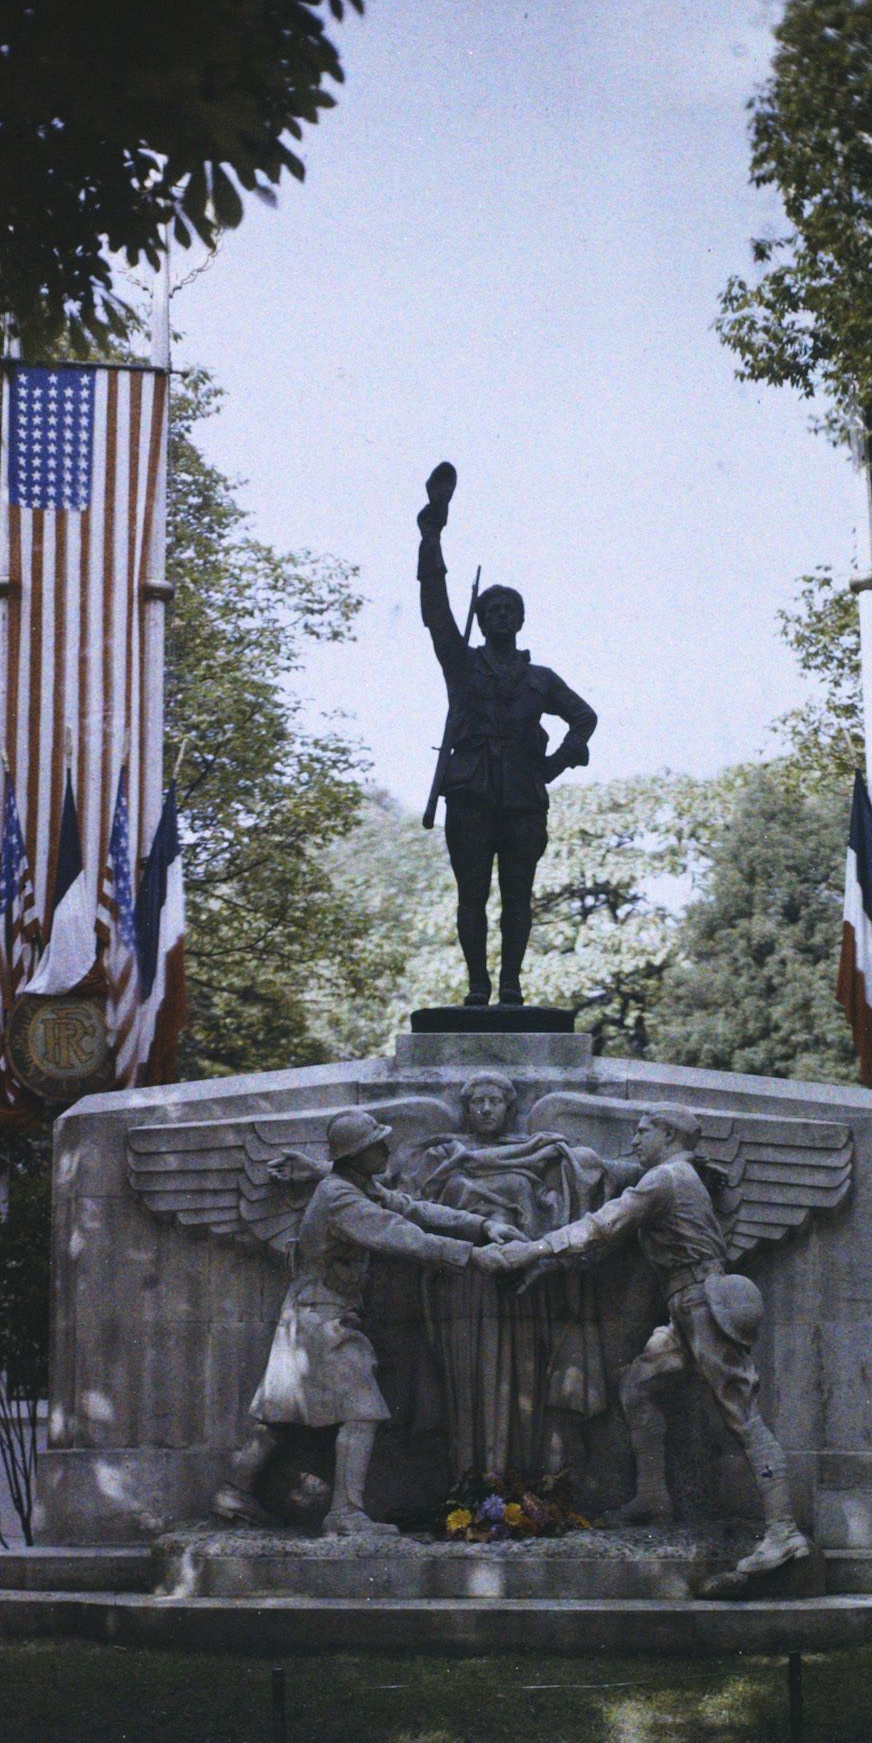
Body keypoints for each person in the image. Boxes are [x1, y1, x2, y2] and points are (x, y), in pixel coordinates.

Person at [475, 1104, 815, 1579]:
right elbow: (608, 1242)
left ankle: (783, 1531)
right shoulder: (679, 1177)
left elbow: (603, 1225)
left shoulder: (666, 1177)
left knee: (741, 1415)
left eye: (643, 1131)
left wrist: (529, 1250)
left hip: (703, 1304)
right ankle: (653, 1496)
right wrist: (546, 1265)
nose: (634, 1140)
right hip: (684, 1309)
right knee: (637, 1386)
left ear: (669, 1134)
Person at [214, 1109, 526, 1537]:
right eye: (376, 1144)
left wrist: (484, 1225)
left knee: (280, 1418)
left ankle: (234, 1492)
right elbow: (401, 1235)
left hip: (314, 1316)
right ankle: (345, 1514)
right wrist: (472, 1256)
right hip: (322, 1320)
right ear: (355, 1154)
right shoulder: (342, 1199)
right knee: (362, 1410)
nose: (386, 1149)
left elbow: (413, 1209)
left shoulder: (354, 1187)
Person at [417, 466, 597, 1006]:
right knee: (471, 895)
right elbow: (434, 610)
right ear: (481, 619)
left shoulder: (541, 678)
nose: (500, 614)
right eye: (491, 609)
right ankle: (478, 986)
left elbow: (585, 717)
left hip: (523, 795)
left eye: (509, 609)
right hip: (470, 791)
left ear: (520, 619)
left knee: (519, 895)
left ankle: (511, 986)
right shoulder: (461, 664)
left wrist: (556, 764)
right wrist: (431, 536)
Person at [402, 1072, 611, 1479]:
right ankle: (468, 1484)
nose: (485, 1109)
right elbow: (400, 1198)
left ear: (509, 1107)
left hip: (519, 1284)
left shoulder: (536, 1151)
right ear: (466, 1108)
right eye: (477, 1101)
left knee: (522, 1381)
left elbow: (587, 1181)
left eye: (494, 1101)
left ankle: (520, 1486)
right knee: (466, 1383)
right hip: (463, 1281)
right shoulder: (443, 1154)